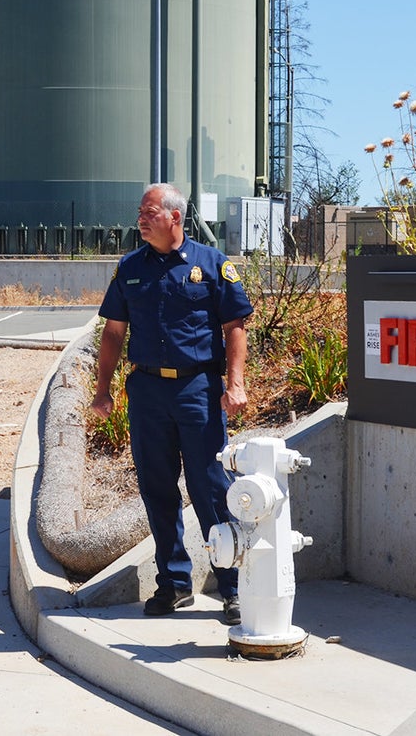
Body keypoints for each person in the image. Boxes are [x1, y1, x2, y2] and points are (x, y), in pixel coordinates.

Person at [89, 182, 252, 625]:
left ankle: (233, 587)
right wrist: (102, 390)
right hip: (147, 392)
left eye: (149, 212)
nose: (140, 219)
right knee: (157, 490)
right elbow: (113, 333)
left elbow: (235, 325)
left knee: (211, 489)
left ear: (175, 217)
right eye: (140, 212)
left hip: (197, 389)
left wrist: (234, 383)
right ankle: (175, 583)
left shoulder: (212, 264)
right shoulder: (130, 268)